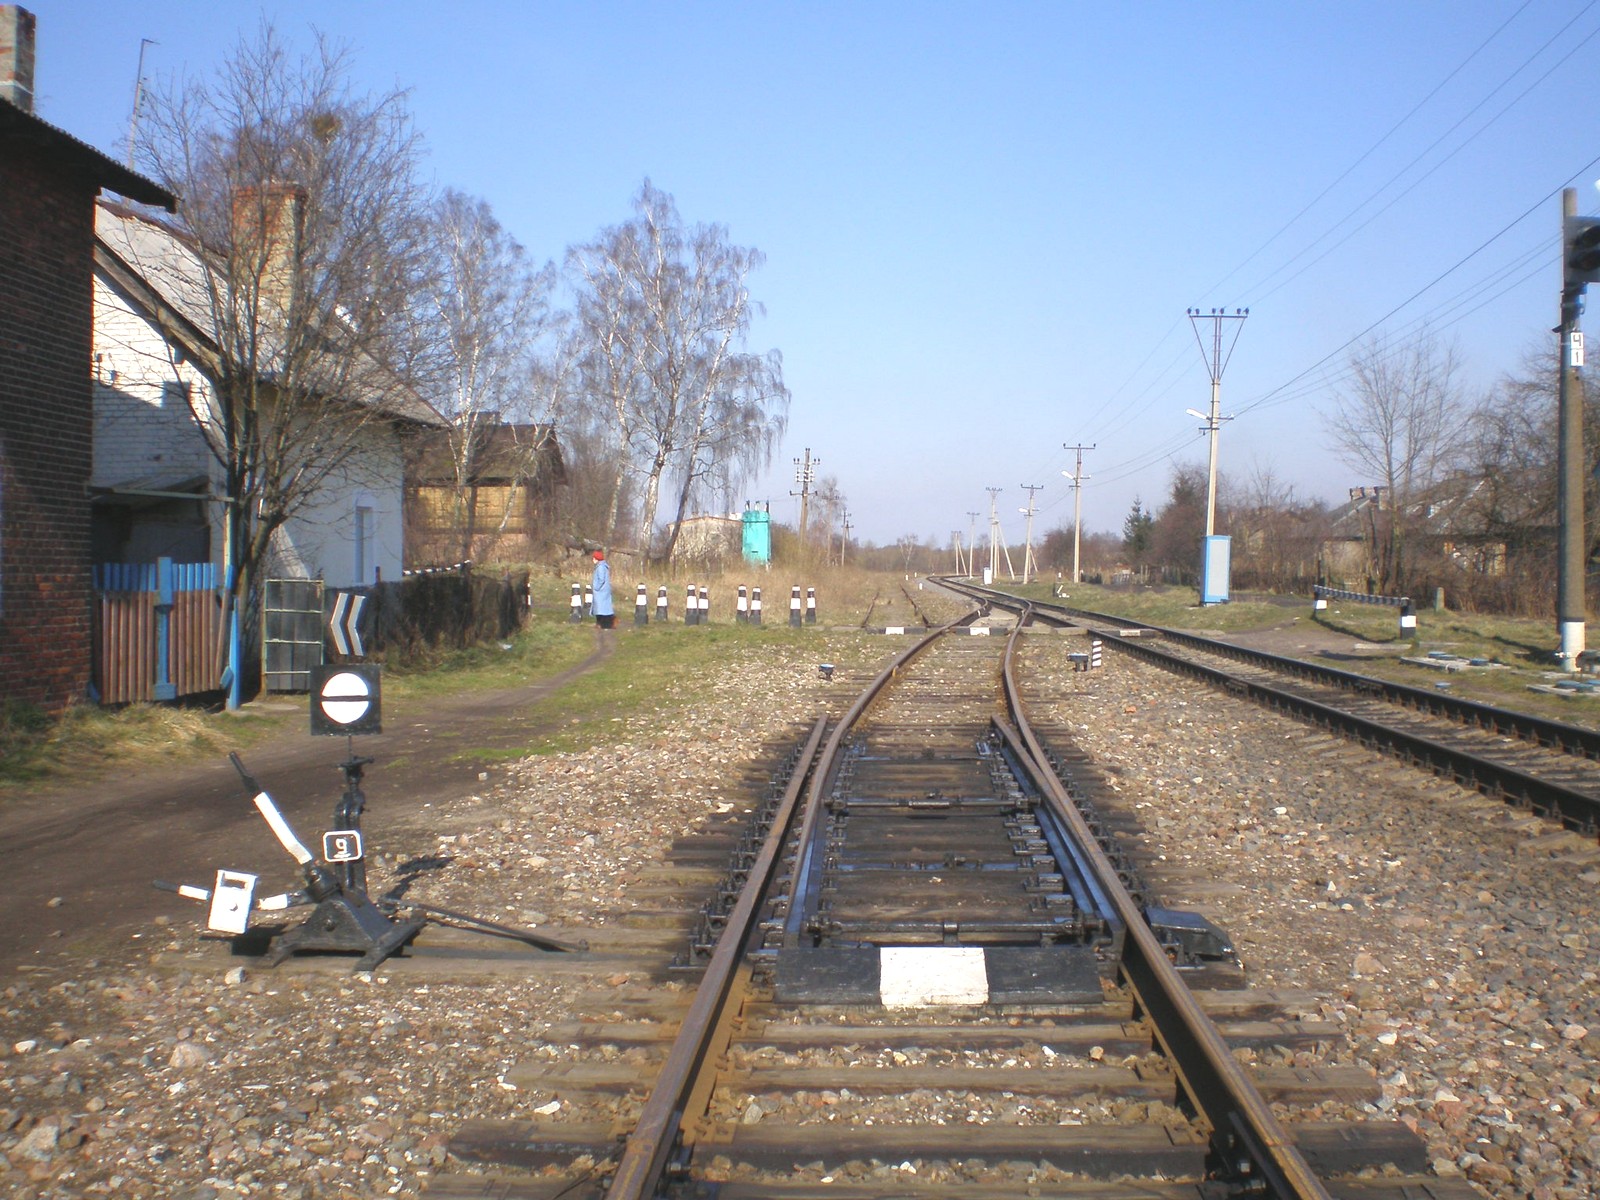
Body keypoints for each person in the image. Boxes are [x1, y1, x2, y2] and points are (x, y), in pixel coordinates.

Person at [591, 550, 615, 629]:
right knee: (603, 607)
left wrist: (596, 587)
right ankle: (602, 623)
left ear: (596, 558)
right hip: (604, 590)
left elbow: (601, 579)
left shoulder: (600, 567)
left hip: (601, 591)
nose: (593, 560)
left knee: (600, 607)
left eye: (594, 558)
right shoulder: (603, 566)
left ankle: (602, 624)